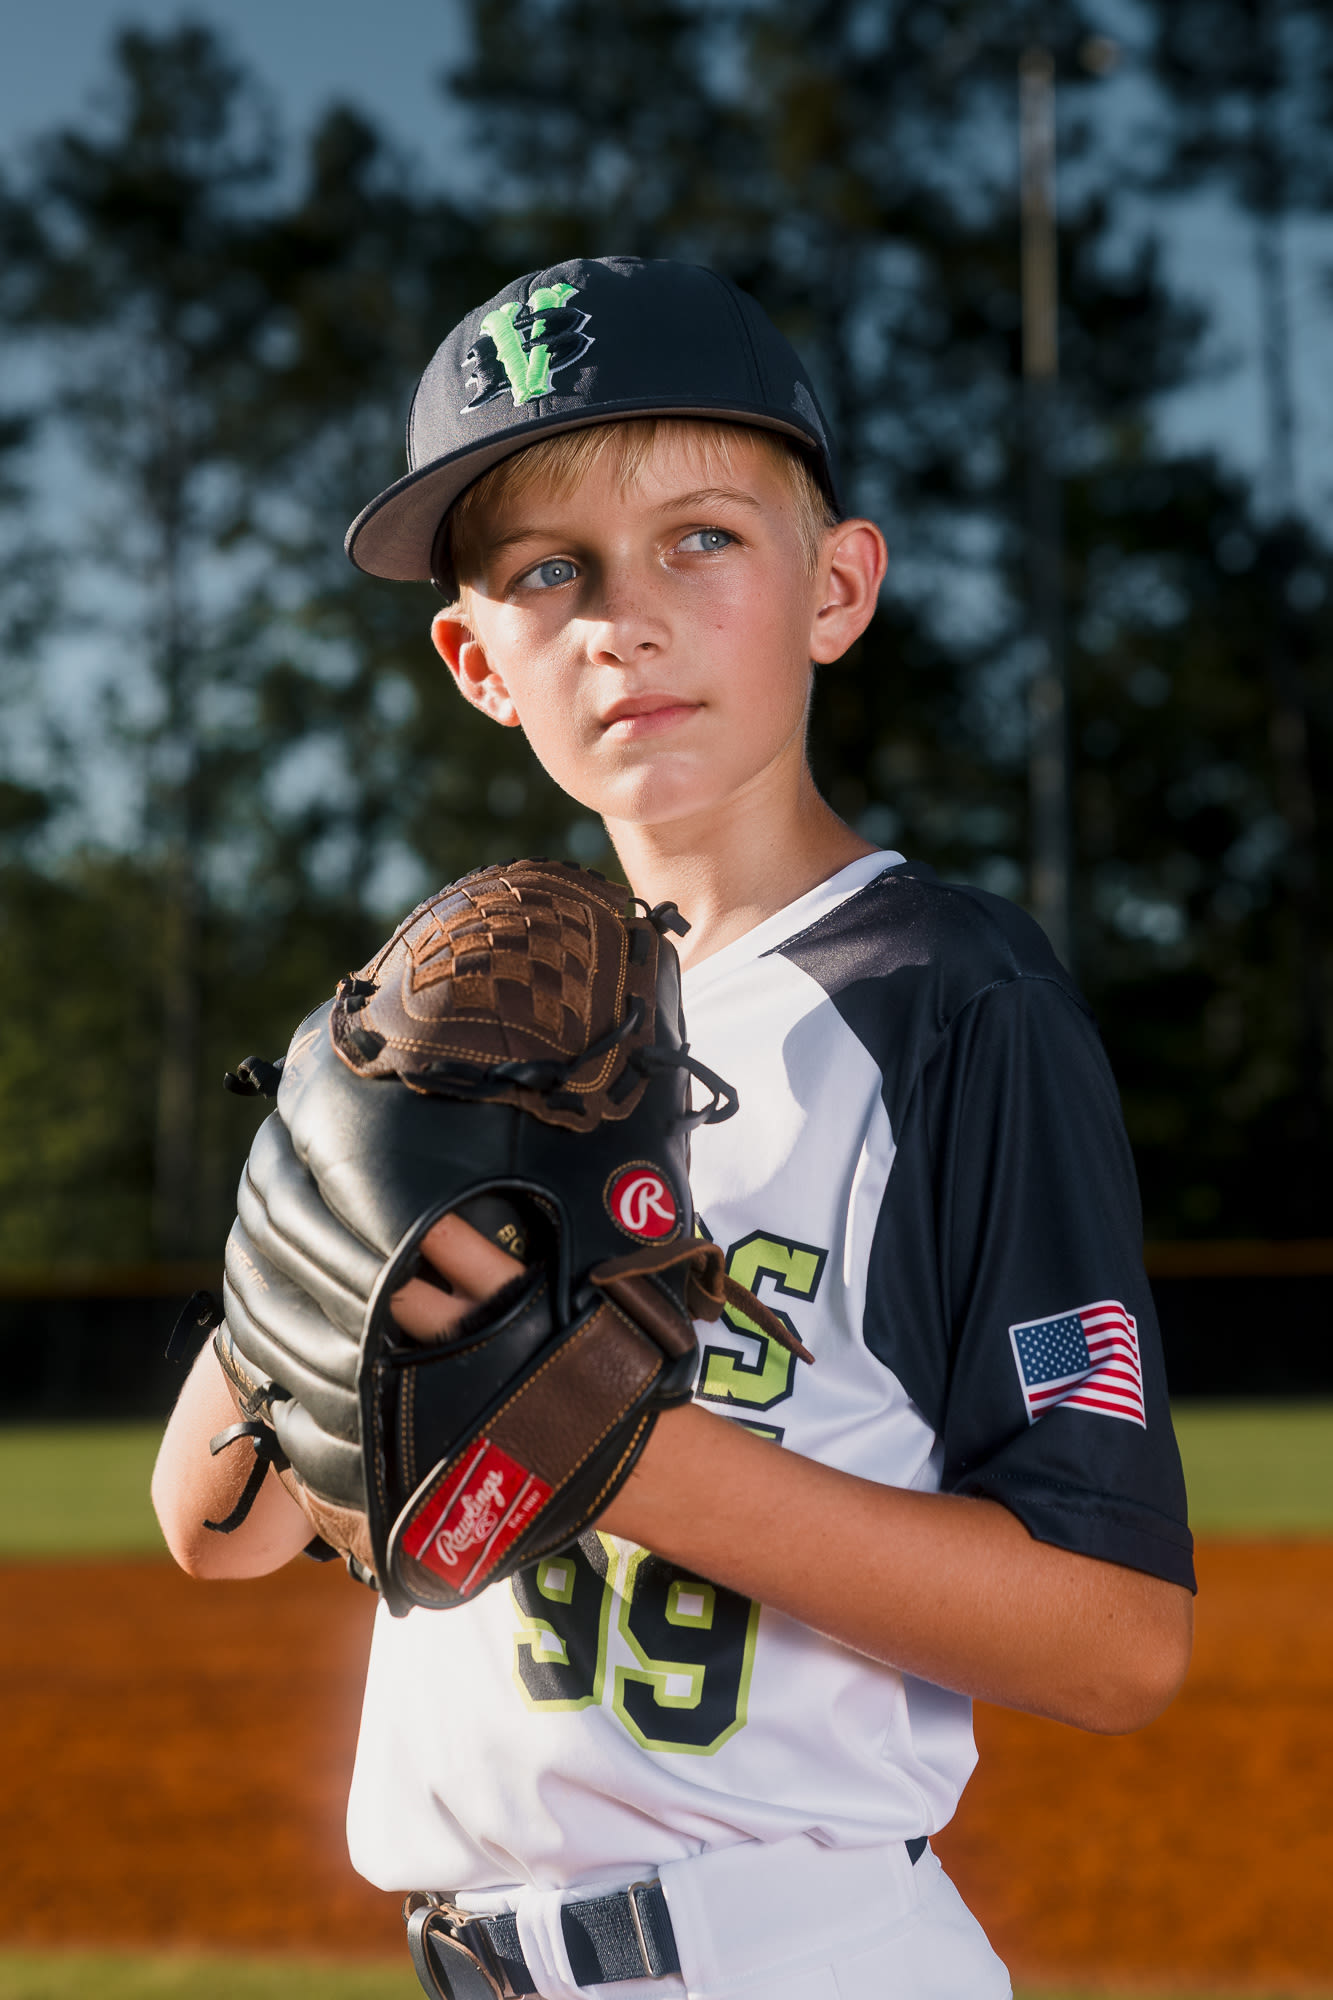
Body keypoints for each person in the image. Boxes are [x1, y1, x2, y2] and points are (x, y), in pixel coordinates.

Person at [153, 255, 1194, 2000]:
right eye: (546, 572)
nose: (619, 619)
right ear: (478, 661)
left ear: (836, 588)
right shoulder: (456, 1044)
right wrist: (345, 1194)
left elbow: (1113, 1641)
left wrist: (588, 1421)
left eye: (700, 540)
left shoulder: (950, 999)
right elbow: (224, 1528)